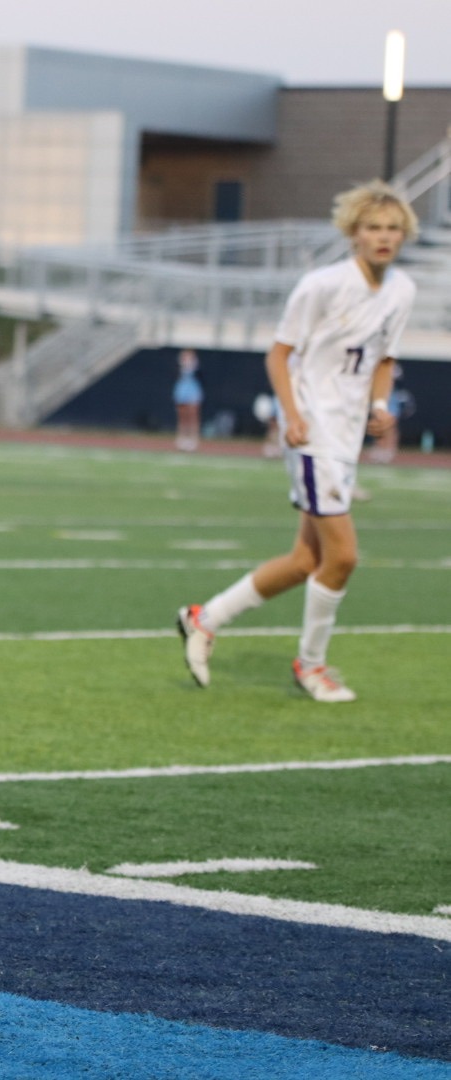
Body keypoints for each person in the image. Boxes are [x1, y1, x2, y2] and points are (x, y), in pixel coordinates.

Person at [177, 181, 416, 703]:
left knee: (307, 561)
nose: (383, 236)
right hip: (314, 434)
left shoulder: (402, 290)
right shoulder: (321, 285)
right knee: (344, 557)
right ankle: (311, 666)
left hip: (346, 436)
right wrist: (292, 414)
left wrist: (379, 406)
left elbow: (385, 359)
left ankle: (204, 617)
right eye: (373, 227)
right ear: (354, 233)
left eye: (393, 228)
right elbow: (279, 354)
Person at [173, 349, 203, 451]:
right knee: (182, 416)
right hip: (182, 389)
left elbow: (198, 374)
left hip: (192, 389)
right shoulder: (179, 367)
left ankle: (193, 439)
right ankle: (182, 438)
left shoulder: (195, 367)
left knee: (193, 415)